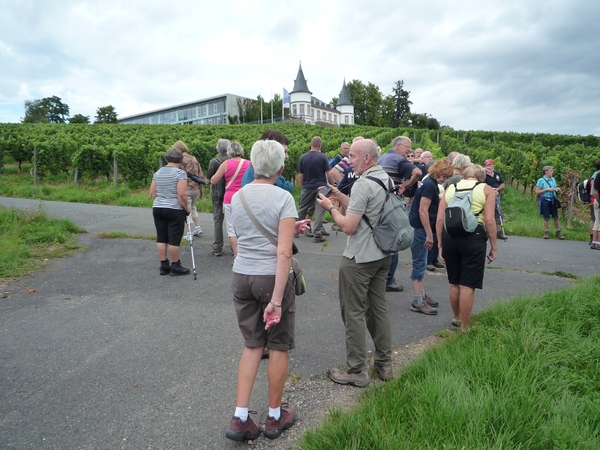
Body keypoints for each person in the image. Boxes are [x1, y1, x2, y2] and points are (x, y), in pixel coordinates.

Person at [225, 140, 298, 442]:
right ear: (281, 168)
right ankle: (275, 414)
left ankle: (241, 417)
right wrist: (277, 301)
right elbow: (283, 254)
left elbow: (237, 240)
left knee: (252, 344)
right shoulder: (284, 198)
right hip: (271, 279)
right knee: (278, 345)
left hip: (242, 274)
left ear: (252, 165)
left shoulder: (237, 197)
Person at [316, 139, 394, 386]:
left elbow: (349, 226)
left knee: (353, 312)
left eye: (353, 157)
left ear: (367, 158)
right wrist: (341, 196)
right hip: (382, 255)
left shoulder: (362, 184)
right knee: (378, 309)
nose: (349, 160)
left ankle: (356, 370)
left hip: (360, 257)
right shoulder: (385, 178)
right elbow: (367, 211)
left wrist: (330, 207)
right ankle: (384, 363)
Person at [436, 164, 498, 331]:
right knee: (467, 284)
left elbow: (440, 220)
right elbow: (490, 221)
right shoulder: (486, 189)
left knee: (454, 282)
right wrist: (494, 246)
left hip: (451, 236)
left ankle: (456, 319)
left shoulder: (450, 188)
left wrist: (440, 244)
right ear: (481, 176)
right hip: (473, 236)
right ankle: (465, 327)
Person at [409, 160, 454, 315]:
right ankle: (418, 301)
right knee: (419, 264)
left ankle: (421, 295)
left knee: (420, 263)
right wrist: (429, 233)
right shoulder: (429, 185)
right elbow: (423, 210)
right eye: (444, 175)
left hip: (419, 228)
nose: (445, 179)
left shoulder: (429, 183)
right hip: (421, 229)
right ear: (438, 171)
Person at [378, 136, 422, 292]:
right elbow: (417, 172)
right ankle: (389, 280)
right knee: (394, 241)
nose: (409, 151)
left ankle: (379, 277)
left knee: (380, 238)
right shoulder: (399, 160)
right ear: (398, 146)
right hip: (392, 205)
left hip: (378, 203)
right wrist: (405, 184)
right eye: (407, 147)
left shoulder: (382, 158)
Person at [150, 147, 191, 276]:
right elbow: (182, 194)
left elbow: (152, 192)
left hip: (158, 207)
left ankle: (164, 265)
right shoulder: (180, 173)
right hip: (174, 208)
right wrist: (187, 208)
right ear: (180, 160)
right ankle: (175, 265)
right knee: (174, 238)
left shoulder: (158, 172)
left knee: (162, 237)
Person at [209, 142, 251, 256]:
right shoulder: (249, 163)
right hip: (245, 198)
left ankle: (237, 254)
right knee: (244, 225)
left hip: (230, 198)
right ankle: (244, 250)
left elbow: (213, 180)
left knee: (231, 227)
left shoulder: (226, 164)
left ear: (229, 152)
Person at [297, 136, 332, 242]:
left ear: (311, 144)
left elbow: (301, 176)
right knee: (320, 210)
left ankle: (295, 230)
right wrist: (332, 184)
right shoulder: (323, 157)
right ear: (320, 145)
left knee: (302, 208)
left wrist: (303, 187)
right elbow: (328, 174)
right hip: (321, 187)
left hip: (308, 187)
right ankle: (317, 233)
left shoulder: (303, 157)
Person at [173, 140, 204, 237]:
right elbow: (200, 174)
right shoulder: (194, 158)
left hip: (186, 188)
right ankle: (198, 228)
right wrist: (201, 189)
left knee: (186, 210)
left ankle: (189, 232)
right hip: (196, 188)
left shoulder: (179, 160)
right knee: (193, 208)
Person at [206, 139, 229, 257]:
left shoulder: (213, 162)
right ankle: (237, 247)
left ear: (217, 149)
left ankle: (217, 247)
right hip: (232, 194)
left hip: (217, 195)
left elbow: (208, 180)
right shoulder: (233, 161)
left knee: (218, 221)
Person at [535, 166, 564, 240]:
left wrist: (556, 189)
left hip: (553, 199)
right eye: (551, 170)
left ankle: (558, 232)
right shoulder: (541, 180)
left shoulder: (553, 179)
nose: (552, 172)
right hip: (545, 200)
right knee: (546, 217)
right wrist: (546, 190)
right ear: (546, 171)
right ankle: (546, 232)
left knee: (555, 216)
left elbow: (554, 187)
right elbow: (537, 192)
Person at [483, 159, 507, 240]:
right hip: (488, 195)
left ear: (493, 165)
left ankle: (498, 232)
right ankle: (487, 231)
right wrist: (491, 190)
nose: (489, 167)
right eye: (487, 165)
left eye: (490, 165)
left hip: (497, 194)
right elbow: (482, 183)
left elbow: (502, 184)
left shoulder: (497, 174)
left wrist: (497, 189)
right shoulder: (483, 174)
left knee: (498, 212)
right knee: (488, 212)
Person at [588, 160, 600, 248]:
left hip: (594, 200)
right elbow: (595, 191)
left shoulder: (595, 175)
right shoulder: (598, 175)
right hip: (597, 199)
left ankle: (594, 241)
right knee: (596, 221)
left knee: (596, 221)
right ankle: (597, 241)